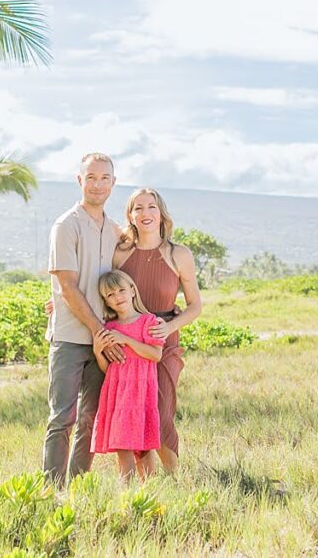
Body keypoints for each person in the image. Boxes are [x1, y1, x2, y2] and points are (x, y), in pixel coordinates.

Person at [42, 153, 167, 487]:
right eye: (91, 177)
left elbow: (142, 256)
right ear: (79, 180)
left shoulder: (114, 231)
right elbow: (66, 284)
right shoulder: (65, 225)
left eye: (104, 178)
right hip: (73, 337)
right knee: (62, 418)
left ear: (113, 183)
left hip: (106, 341)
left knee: (89, 419)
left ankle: (78, 489)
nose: (97, 184)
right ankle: (52, 492)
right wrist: (98, 330)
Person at [114, 187, 202, 475]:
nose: (145, 213)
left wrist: (170, 327)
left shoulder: (179, 254)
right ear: (130, 215)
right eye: (137, 208)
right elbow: (97, 286)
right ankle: (147, 488)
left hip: (165, 343)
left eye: (151, 207)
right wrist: (59, 300)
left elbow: (194, 306)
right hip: (130, 344)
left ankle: (176, 481)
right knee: (136, 417)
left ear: (161, 213)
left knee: (161, 416)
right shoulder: (119, 253)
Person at [90, 270, 164, 482]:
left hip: (141, 394)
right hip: (118, 393)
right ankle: (126, 495)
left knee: (143, 448)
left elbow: (155, 355)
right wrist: (98, 351)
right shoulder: (109, 327)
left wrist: (126, 339)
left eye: (121, 290)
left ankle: (150, 490)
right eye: (110, 295)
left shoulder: (148, 321)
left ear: (132, 290)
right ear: (106, 301)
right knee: (122, 445)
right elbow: (109, 368)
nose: (117, 297)